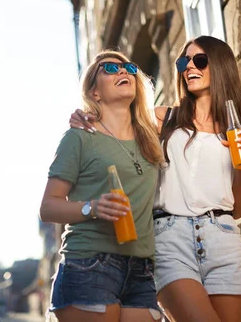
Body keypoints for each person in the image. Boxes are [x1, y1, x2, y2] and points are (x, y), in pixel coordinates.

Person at [71, 35, 241, 322]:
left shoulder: (236, 130)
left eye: (199, 60)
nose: (189, 67)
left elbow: (239, 208)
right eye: (184, 61)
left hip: (222, 237)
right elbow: (113, 126)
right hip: (170, 237)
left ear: (220, 65)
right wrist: (87, 117)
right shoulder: (162, 119)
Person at [40, 50, 165, 322]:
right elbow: (48, 207)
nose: (123, 72)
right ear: (94, 93)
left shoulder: (151, 133)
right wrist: (92, 207)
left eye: (129, 69)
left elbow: (199, 110)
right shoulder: (80, 136)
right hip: (89, 263)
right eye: (109, 68)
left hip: (141, 269)